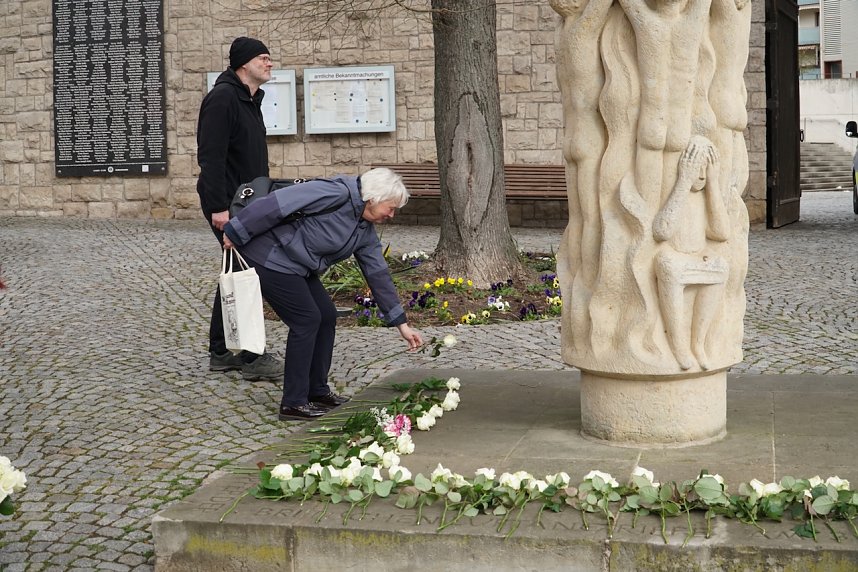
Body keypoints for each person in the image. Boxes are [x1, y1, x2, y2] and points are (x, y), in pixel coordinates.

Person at [222, 168, 424, 420]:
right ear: (372, 198)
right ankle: (293, 403)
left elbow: (377, 273)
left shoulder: (363, 228)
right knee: (306, 319)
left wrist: (401, 324)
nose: (391, 215)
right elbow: (277, 204)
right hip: (269, 255)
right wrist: (236, 230)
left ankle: (317, 392)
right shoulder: (334, 192)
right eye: (390, 207)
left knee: (326, 315)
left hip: (298, 265)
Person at [196, 36, 283, 381]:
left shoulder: (249, 99)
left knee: (238, 271)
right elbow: (211, 157)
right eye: (264, 57)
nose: (270, 63)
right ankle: (251, 356)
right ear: (243, 64)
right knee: (251, 272)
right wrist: (219, 208)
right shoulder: (222, 99)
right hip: (229, 205)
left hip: (248, 202)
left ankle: (220, 350)